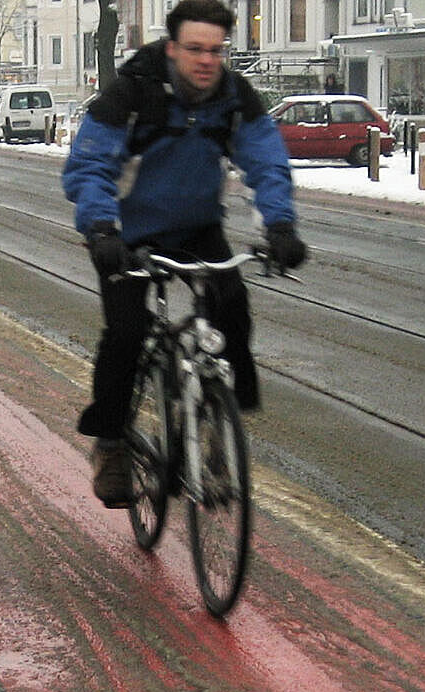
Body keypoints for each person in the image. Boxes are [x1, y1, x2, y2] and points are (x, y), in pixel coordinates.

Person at [62, 0, 305, 508]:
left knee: (232, 311)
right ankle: (111, 444)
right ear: (172, 48)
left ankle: (219, 425)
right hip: (124, 232)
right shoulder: (133, 90)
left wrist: (281, 225)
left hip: (196, 227)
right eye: (194, 49)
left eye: (216, 50)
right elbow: (90, 165)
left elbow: (266, 160)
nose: (205, 60)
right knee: (126, 333)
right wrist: (101, 231)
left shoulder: (234, 97)